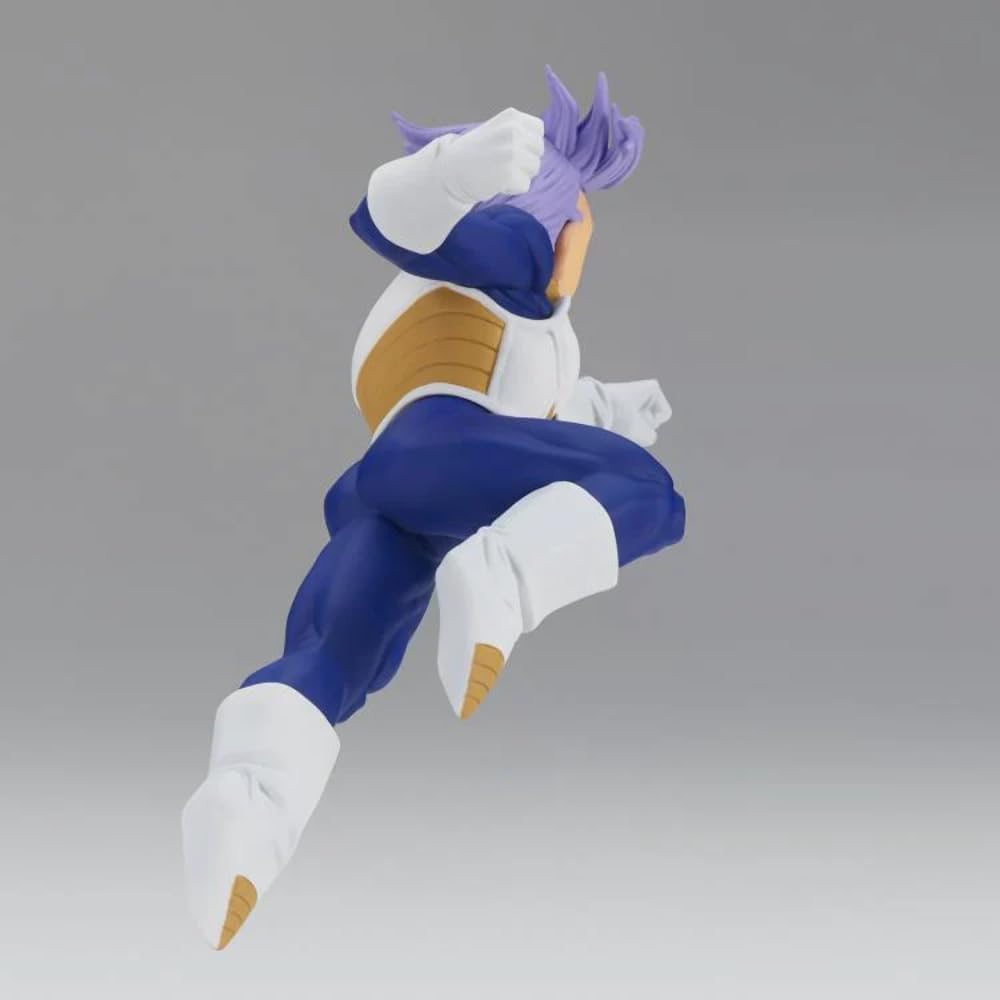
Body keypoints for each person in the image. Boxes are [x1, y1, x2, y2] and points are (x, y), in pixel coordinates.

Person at [182, 66, 685, 950]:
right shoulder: (519, 244)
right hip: (438, 452)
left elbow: (517, 410)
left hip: (395, 496)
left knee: (334, 656)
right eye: (581, 213)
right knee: (647, 493)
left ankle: (244, 810)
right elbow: (391, 218)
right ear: (561, 208)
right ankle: (503, 576)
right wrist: (454, 171)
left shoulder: (507, 311)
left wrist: (603, 408)